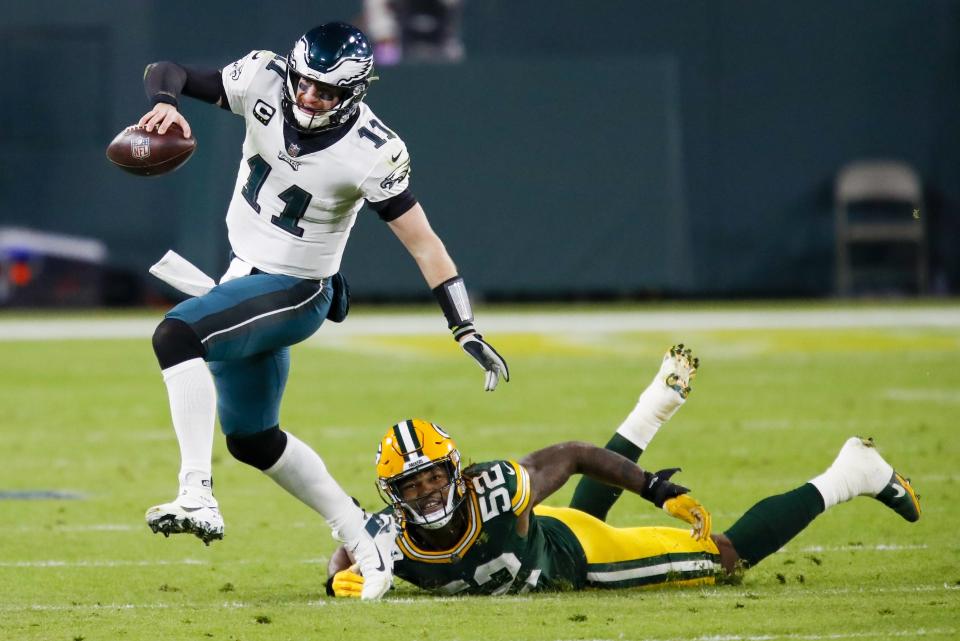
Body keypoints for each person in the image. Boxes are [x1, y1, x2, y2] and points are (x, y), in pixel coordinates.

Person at [137, 22, 508, 600]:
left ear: (355, 92)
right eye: (305, 83)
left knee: (176, 335)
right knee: (253, 439)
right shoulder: (264, 76)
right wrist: (166, 106)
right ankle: (366, 538)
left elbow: (423, 242)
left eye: (326, 92)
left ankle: (196, 493)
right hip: (246, 275)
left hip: (298, 289)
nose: (309, 97)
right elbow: (169, 71)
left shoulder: (372, 149)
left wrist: (464, 325)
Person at [326, 345, 921, 596]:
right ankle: (655, 404)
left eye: (432, 475)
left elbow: (578, 453)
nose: (427, 491)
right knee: (575, 513)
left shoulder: (496, 487)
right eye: (412, 483)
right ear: (394, 493)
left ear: (455, 471)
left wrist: (659, 491)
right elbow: (351, 545)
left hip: (580, 559)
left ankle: (853, 471)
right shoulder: (388, 536)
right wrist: (338, 579)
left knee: (724, 559)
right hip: (551, 536)